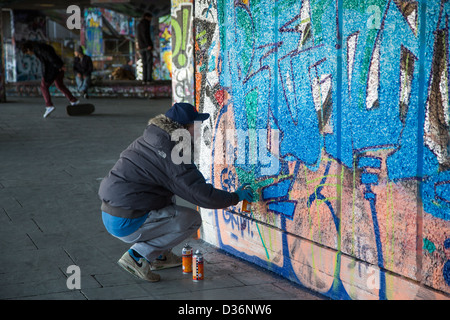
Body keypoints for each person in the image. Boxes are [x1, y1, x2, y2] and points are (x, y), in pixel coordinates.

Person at [98, 102, 254, 282]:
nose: (198, 130)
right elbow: (199, 193)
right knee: (192, 219)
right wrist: (234, 197)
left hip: (111, 211)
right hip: (127, 220)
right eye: (196, 125)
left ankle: (160, 257)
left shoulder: (150, 139)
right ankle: (138, 257)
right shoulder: (174, 150)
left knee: (170, 201)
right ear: (185, 128)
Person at [21, 40, 79, 118]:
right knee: (59, 85)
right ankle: (73, 100)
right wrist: (60, 65)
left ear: (28, 49)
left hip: (53, 69)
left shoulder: (39, 49)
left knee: (43, 86)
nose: (30, 54)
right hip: (57, 68)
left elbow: (50, 57)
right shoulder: (41, 46)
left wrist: (59, 66)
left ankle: (49, 105)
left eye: (28, 53)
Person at [137, 12, 153, 83]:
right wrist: (148, 45)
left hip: (141, 47)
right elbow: (145, 35)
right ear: (147, 17)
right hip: (146, 47)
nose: (151, 19)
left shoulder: (139, 25)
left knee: (144, 63)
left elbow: (140, 36)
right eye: (150, 18)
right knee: (149, 62)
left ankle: (144, 79)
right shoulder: (146, 24)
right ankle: (149, 79)